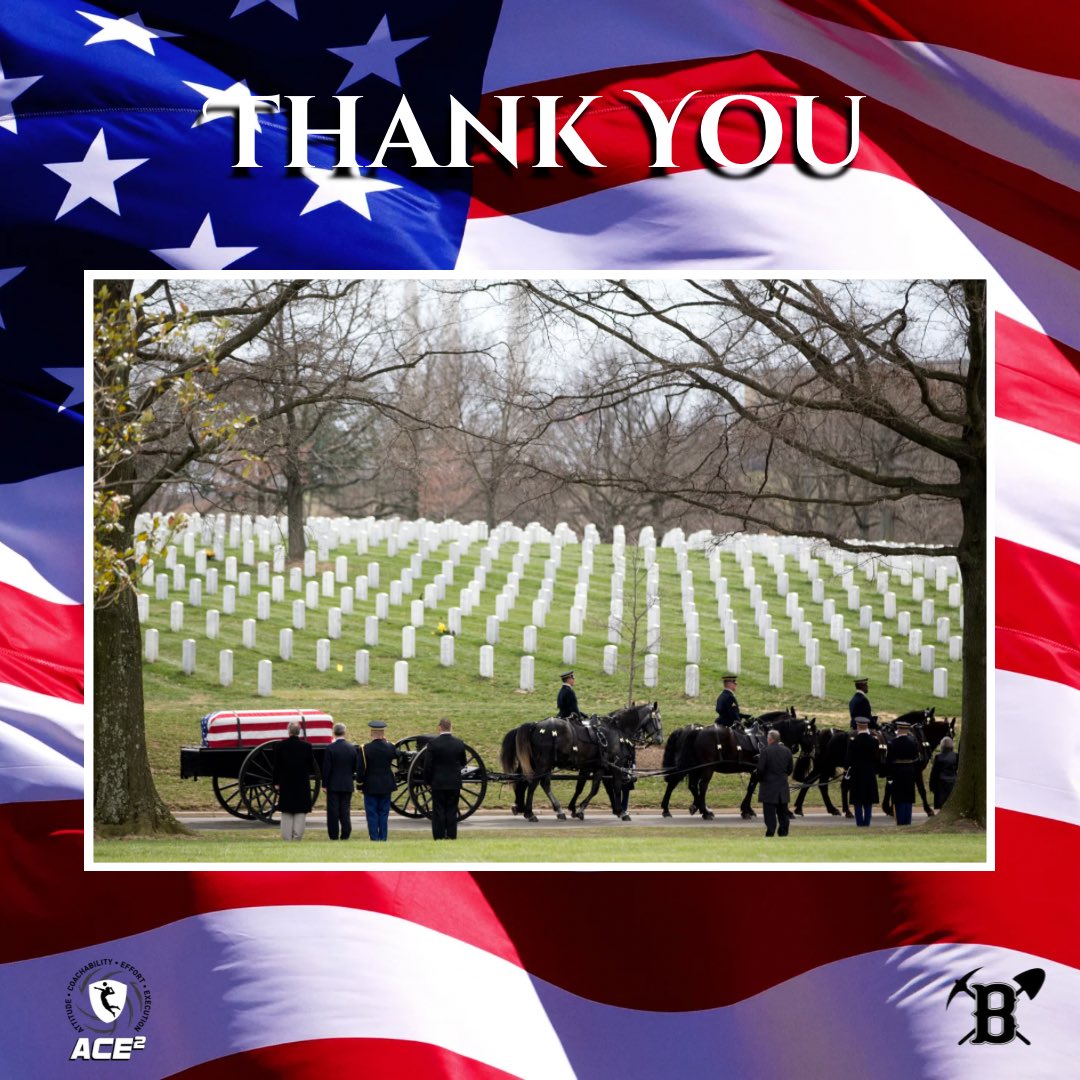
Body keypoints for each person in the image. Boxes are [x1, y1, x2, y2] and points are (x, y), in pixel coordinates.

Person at [356, 719, 401, 842]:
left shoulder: (365, 748)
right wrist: (387, 743)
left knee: (372, 814)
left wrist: (359, 784)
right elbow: (398, 754)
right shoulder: (390, 747)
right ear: (383, 733)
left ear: (371, 733)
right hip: (386, 785)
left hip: (370, 786)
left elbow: (361, 769)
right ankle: (383, 838)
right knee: (383, 813)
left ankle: (374, 838)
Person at [272, 720, 318, 841]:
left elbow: (276, 766)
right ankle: (297, 837)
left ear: (289, 731)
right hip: (301, 782)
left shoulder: (280, 746)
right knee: (300, 811)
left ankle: (286, 838)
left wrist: (276, 782)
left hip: (286, 782)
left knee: (286, 810)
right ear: (299, 732)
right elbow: (310, 765)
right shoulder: (307, 746)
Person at [422, 717, 467, 840]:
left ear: (439, 727)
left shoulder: (433, 744)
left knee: (438, 810)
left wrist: (428, 781)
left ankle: (439, 835)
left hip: (438, 782)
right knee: (452, 810)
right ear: (451, 727)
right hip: (454, 782)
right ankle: (451, 835)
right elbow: (463, 762)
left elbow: (428, 765)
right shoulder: (459, 743)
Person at [322, 722, 360, 840]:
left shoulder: (330, 748)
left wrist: (324, 784)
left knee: (333, 812)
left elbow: (326, 768)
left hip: (333, 784)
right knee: (345, 810)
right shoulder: (351, 748)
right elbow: (355, 767)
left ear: (334, 733)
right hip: (347, 783)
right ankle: (346, 834)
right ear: (344, 732)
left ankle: (333, 835)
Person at [756, 728, 794, 837]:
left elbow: (760, 770)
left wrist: (761, 779)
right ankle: (783, 832)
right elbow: (790, 769)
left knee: (769, 813)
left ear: (771, 739)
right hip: (782, 786)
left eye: (767, 738)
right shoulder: (787, 751)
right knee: (783, 812)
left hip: (768, 787)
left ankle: (770, 831)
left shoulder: (765, 751)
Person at [845, 715, 880, 827]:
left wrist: (847, 770)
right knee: (868, 801)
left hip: (856, 774)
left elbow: (848, 760)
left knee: (858, 801)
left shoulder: (853, 742)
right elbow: (877, 759)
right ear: (867, 727)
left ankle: (860, 823)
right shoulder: (874, 741)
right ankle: (867, 822)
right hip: (869, 773)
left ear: (858, 727)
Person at [885, 718, 921, 826]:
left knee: (899, 797)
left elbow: (889, 761)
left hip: (897, 771)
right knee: (908, 797)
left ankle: (900, 821)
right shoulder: (913, 743)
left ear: (898, 729)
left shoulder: (892, 743)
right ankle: (907, 820)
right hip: (909, 771)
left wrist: (889, 776)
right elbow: (916, 758)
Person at [929, 736, 959, 810]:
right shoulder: (956, 756)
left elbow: (934, 772)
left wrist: (932, 785)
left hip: (941, 783)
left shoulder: (938, 757)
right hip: (953, 781)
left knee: (942, 804)